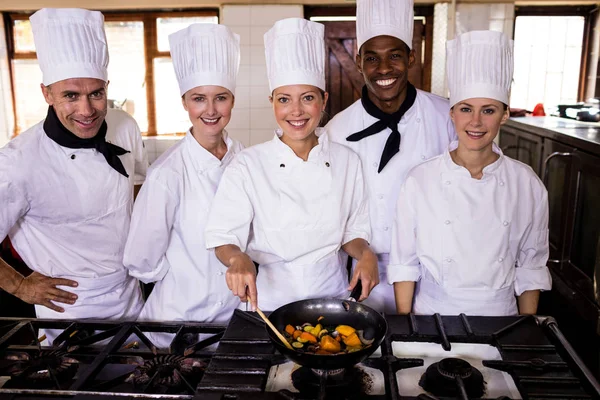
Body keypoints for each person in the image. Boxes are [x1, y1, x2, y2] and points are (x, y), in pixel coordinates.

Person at [204, 18, 378, 312]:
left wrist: (366, 254)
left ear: (323, 100)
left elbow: (353, 232)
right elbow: (223, 236)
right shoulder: (248, 165)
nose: (296, 111)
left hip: (334, 301)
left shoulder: (347, 161)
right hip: (269, 305)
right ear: (272, 101)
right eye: (284, 99)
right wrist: (237, 258)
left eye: (307, 98)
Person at [0, 8, 147, 343]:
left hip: (129, 296)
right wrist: (21, 287)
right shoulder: (16, 162)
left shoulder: (124, 126)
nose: (86, 110)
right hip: (68, 309)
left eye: (96, 93)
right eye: (70, 95)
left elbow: (137, 188)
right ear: (47, 94)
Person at [389, 30, 552, 316]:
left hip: (501, 320)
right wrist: (407, 328)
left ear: (504, 115)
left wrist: (525, 335)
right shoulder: (420, 179)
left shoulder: (526, 183)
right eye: (466, 109)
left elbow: (531, 266)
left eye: (488, 110)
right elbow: (405, 263)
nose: (475, 122)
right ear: (452, 113)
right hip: (432, 316)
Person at [325, 0, 456, 314]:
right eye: (372, 58)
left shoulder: (447, 117)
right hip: (362, 274)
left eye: (394, 56)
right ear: (358, 62)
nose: (384, 69)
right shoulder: (336, 130)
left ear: (411, 57)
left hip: (436, 273)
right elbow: (331, 211)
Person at [123, 23, 243, 348]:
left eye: (221, 98)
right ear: (185, 102)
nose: (210, 110)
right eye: (198, 99)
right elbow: (140, 260)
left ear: (232, 100)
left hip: (233, 320)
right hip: (175, 324)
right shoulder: (168, 173)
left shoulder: (245, 159)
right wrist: (187, 274)